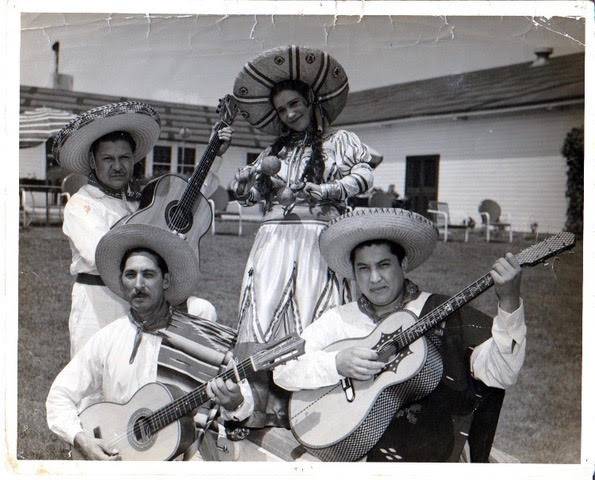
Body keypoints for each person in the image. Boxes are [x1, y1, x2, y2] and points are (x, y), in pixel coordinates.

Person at [273, 208, 526, 462]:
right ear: (353, 272)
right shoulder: (339, 319)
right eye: (363, 268)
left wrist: (509, 302)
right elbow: (283, 369)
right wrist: (336, 364)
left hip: (429, 457)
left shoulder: (440, 312)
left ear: (402, 264)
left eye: (383, 265)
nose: (374, 279)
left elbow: (501, 373)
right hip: (355, 456)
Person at [230, 45, 374, 428]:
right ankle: (260, 407)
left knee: (313, 319)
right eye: (281, 110)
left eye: (295, 104)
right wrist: (245, 182)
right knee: (261, 319)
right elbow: (251, 197)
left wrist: (328, 191)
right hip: (273, 244)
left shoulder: (338, 142)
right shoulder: (273, 151)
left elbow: (363, 176)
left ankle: (306, 412)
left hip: (316, 243)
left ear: (310, 99)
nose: (290, 114)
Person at [46, 223, 252, 461]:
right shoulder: (109, 337)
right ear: (122, 283)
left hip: (184, 454)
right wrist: (82, 439)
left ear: (165, 281)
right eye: (130, 275)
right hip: (121, 453)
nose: (139, 284)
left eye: (148, 274)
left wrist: (235, 401)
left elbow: (244, 400)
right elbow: (59, 395)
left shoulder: (199, 335)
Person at [54, 102, 231, 356]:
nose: (117, 166)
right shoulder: (83, 204)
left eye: (124, 158)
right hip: (99, 302)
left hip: (143, 297)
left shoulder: (140, 201)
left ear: (134, 160)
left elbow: (190, 198)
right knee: (96, 378)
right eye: (108, 159)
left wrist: (215, 154)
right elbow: (102, 255)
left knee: (199, 314)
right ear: (93, 162)